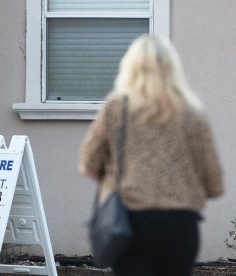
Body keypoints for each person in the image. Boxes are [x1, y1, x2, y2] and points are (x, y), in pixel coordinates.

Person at [79, 35, 223, 276]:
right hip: (180, 226)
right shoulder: (192, 113)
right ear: (172, 69)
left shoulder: (116, 108)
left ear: (130, 68)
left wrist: (117, 177)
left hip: (128, 223)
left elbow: (88, 165)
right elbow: (214, 183)